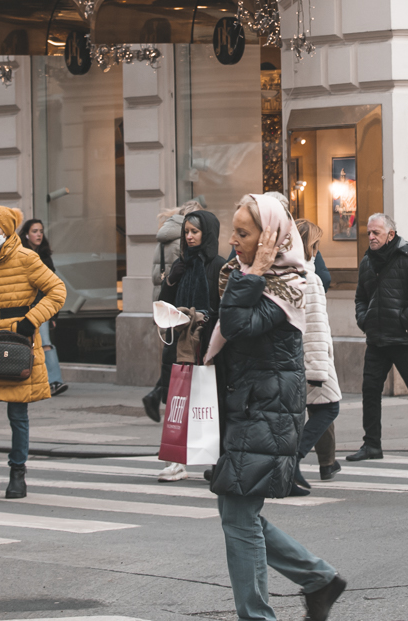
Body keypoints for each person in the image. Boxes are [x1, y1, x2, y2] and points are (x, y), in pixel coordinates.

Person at [206, 193, 347, 621]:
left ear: (270, 237)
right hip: (245, 405)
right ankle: (318, 579)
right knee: (237, 510)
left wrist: (258, 271)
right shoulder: (245, 275)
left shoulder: (288, 281)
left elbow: (235, 325)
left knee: (239, 512)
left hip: (266, 409)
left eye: (244, 233)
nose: (233, 240)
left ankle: (266, 611)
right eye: (234, 230)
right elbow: (231, 331)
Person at [0, 205, 67, 500]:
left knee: (17, 411)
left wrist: (30, 321)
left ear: (7, 230)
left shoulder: (26, 257)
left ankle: (17, 474)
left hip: (18, 341)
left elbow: (57, 291)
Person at [347, 212, 408, 461]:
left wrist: (403, 319)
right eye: (368, 233)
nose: (370, 237)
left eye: (376, 233)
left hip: (405, 339)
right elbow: (361, 297)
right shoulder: (367, 261)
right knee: (370, 391)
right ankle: (371, 445)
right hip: (377, 339)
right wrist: (364, 320)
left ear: (390, 234)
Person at [147, 207, 226, 480]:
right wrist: (171, 278)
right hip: (180, 342)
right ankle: (176, 462)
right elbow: (165, 299)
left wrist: (206, 318)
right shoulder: (182, 263)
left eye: (195, 232)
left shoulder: (219, 265)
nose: (190, 237)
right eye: (187, 232)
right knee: (178, 402)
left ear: (207, 234)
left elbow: (225, 306)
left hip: (208, 344)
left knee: (210, 404)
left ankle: (217, 461)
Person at [292, 217, 341, 490]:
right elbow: (315, 328)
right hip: (312, 357)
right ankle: (294, 459)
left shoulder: (293, 273)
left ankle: (308, 465)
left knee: (310, 411)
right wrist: (319, 368)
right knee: (328, 408)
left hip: (301, 357)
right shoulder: (310, 278)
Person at [21, 217, 69, 396]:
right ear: (26, 235)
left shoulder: (45, 257)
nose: (39, 234)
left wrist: (53, 316)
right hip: (24, 308)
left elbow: (54, 287)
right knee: (27, 345)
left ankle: (55, 381)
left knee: (46, 344)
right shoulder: (21, 254)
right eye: (35, 231)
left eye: (40, 231)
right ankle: (33, 380)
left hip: (42, 308)